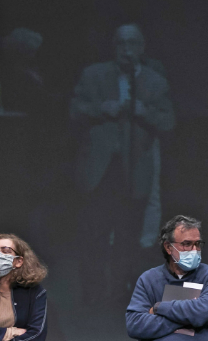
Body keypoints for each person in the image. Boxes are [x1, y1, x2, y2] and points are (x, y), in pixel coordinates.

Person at [71, 23, 176, 302]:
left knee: (128, 235)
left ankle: (119, 292)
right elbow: (74, 111)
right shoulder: (93, 76)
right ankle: (92, 293)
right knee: (95, 231)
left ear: (142, 49)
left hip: (135, 169)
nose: (126, 51)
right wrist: (99, 109)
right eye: (121, 44)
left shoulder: (155, 81)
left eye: (132, 45)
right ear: (113, 47)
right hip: (100, 169)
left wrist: (145, 112)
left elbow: (168, 122)